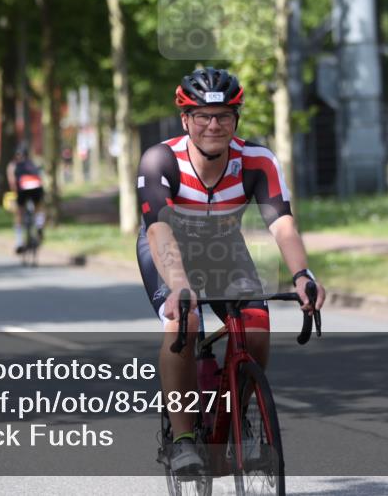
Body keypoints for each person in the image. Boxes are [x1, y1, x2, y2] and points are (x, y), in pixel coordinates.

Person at [136, 67, 326, 475]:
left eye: (223, 115)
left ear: (236, 119)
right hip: (169, 250)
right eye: (202, 116)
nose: (213, 125)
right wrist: (180, 287)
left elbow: (282, 224)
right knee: (182, 323)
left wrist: (302, 275)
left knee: (256, 323)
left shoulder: (257, 160)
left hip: (223, 249)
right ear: (185, 120)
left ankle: (234, 415)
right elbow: (158, 229)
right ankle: (184, 440)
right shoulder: (160, 159)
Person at [6, 143, 45, 254]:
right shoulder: (33, 162)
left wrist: (15, 194)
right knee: (38, 207)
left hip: (23, 188)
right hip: (36, 186)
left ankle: (19, 242)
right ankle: (39, 226)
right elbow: (40, 176)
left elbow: (12, 182)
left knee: (19, 212)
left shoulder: (13, 165)